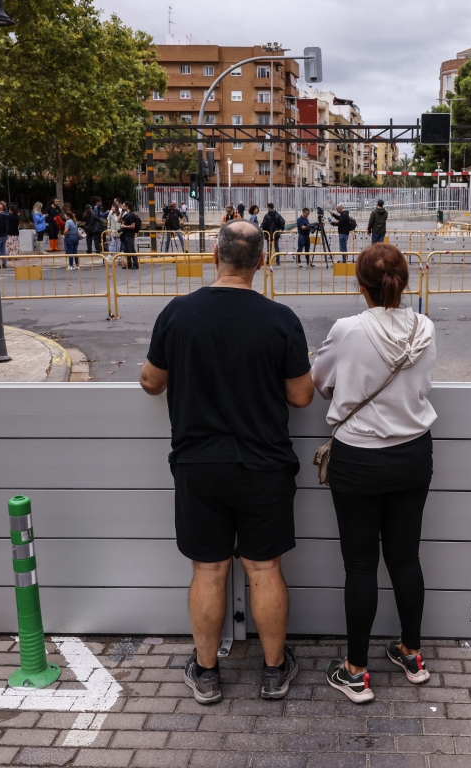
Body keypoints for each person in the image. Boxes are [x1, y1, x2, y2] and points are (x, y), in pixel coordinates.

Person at [139, 219, 314, 705]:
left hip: (199, 466)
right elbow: (301, 396)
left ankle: (209, 672)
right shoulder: (281, 320)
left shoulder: (178, 314)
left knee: (209, 571)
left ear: (215, 254)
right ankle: (274, 671)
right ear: (262, 261)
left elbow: (152, 382)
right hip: (264, 466)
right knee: (264, 569)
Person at [311, 242, 437, 704]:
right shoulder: (426, 327)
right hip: (413, 456)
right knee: (405, 557)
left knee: (361, 564)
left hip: (359, 460)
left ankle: (357, 671)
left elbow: (319, 383)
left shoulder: (348, 330)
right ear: (404, 281)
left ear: (361, 285)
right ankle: (411, 653)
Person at [120, 201, 140, 269]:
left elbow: (133, 226)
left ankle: (135, 264)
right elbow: (118, 220)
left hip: (130, 234)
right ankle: (128, 264)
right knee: (126, 250)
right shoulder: (126, 215)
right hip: (125, 234)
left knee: (131, 249)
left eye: (123, 206)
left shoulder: (131, 215)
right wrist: (121, 213)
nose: (122, 207)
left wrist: (124, 226)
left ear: (127, 206)